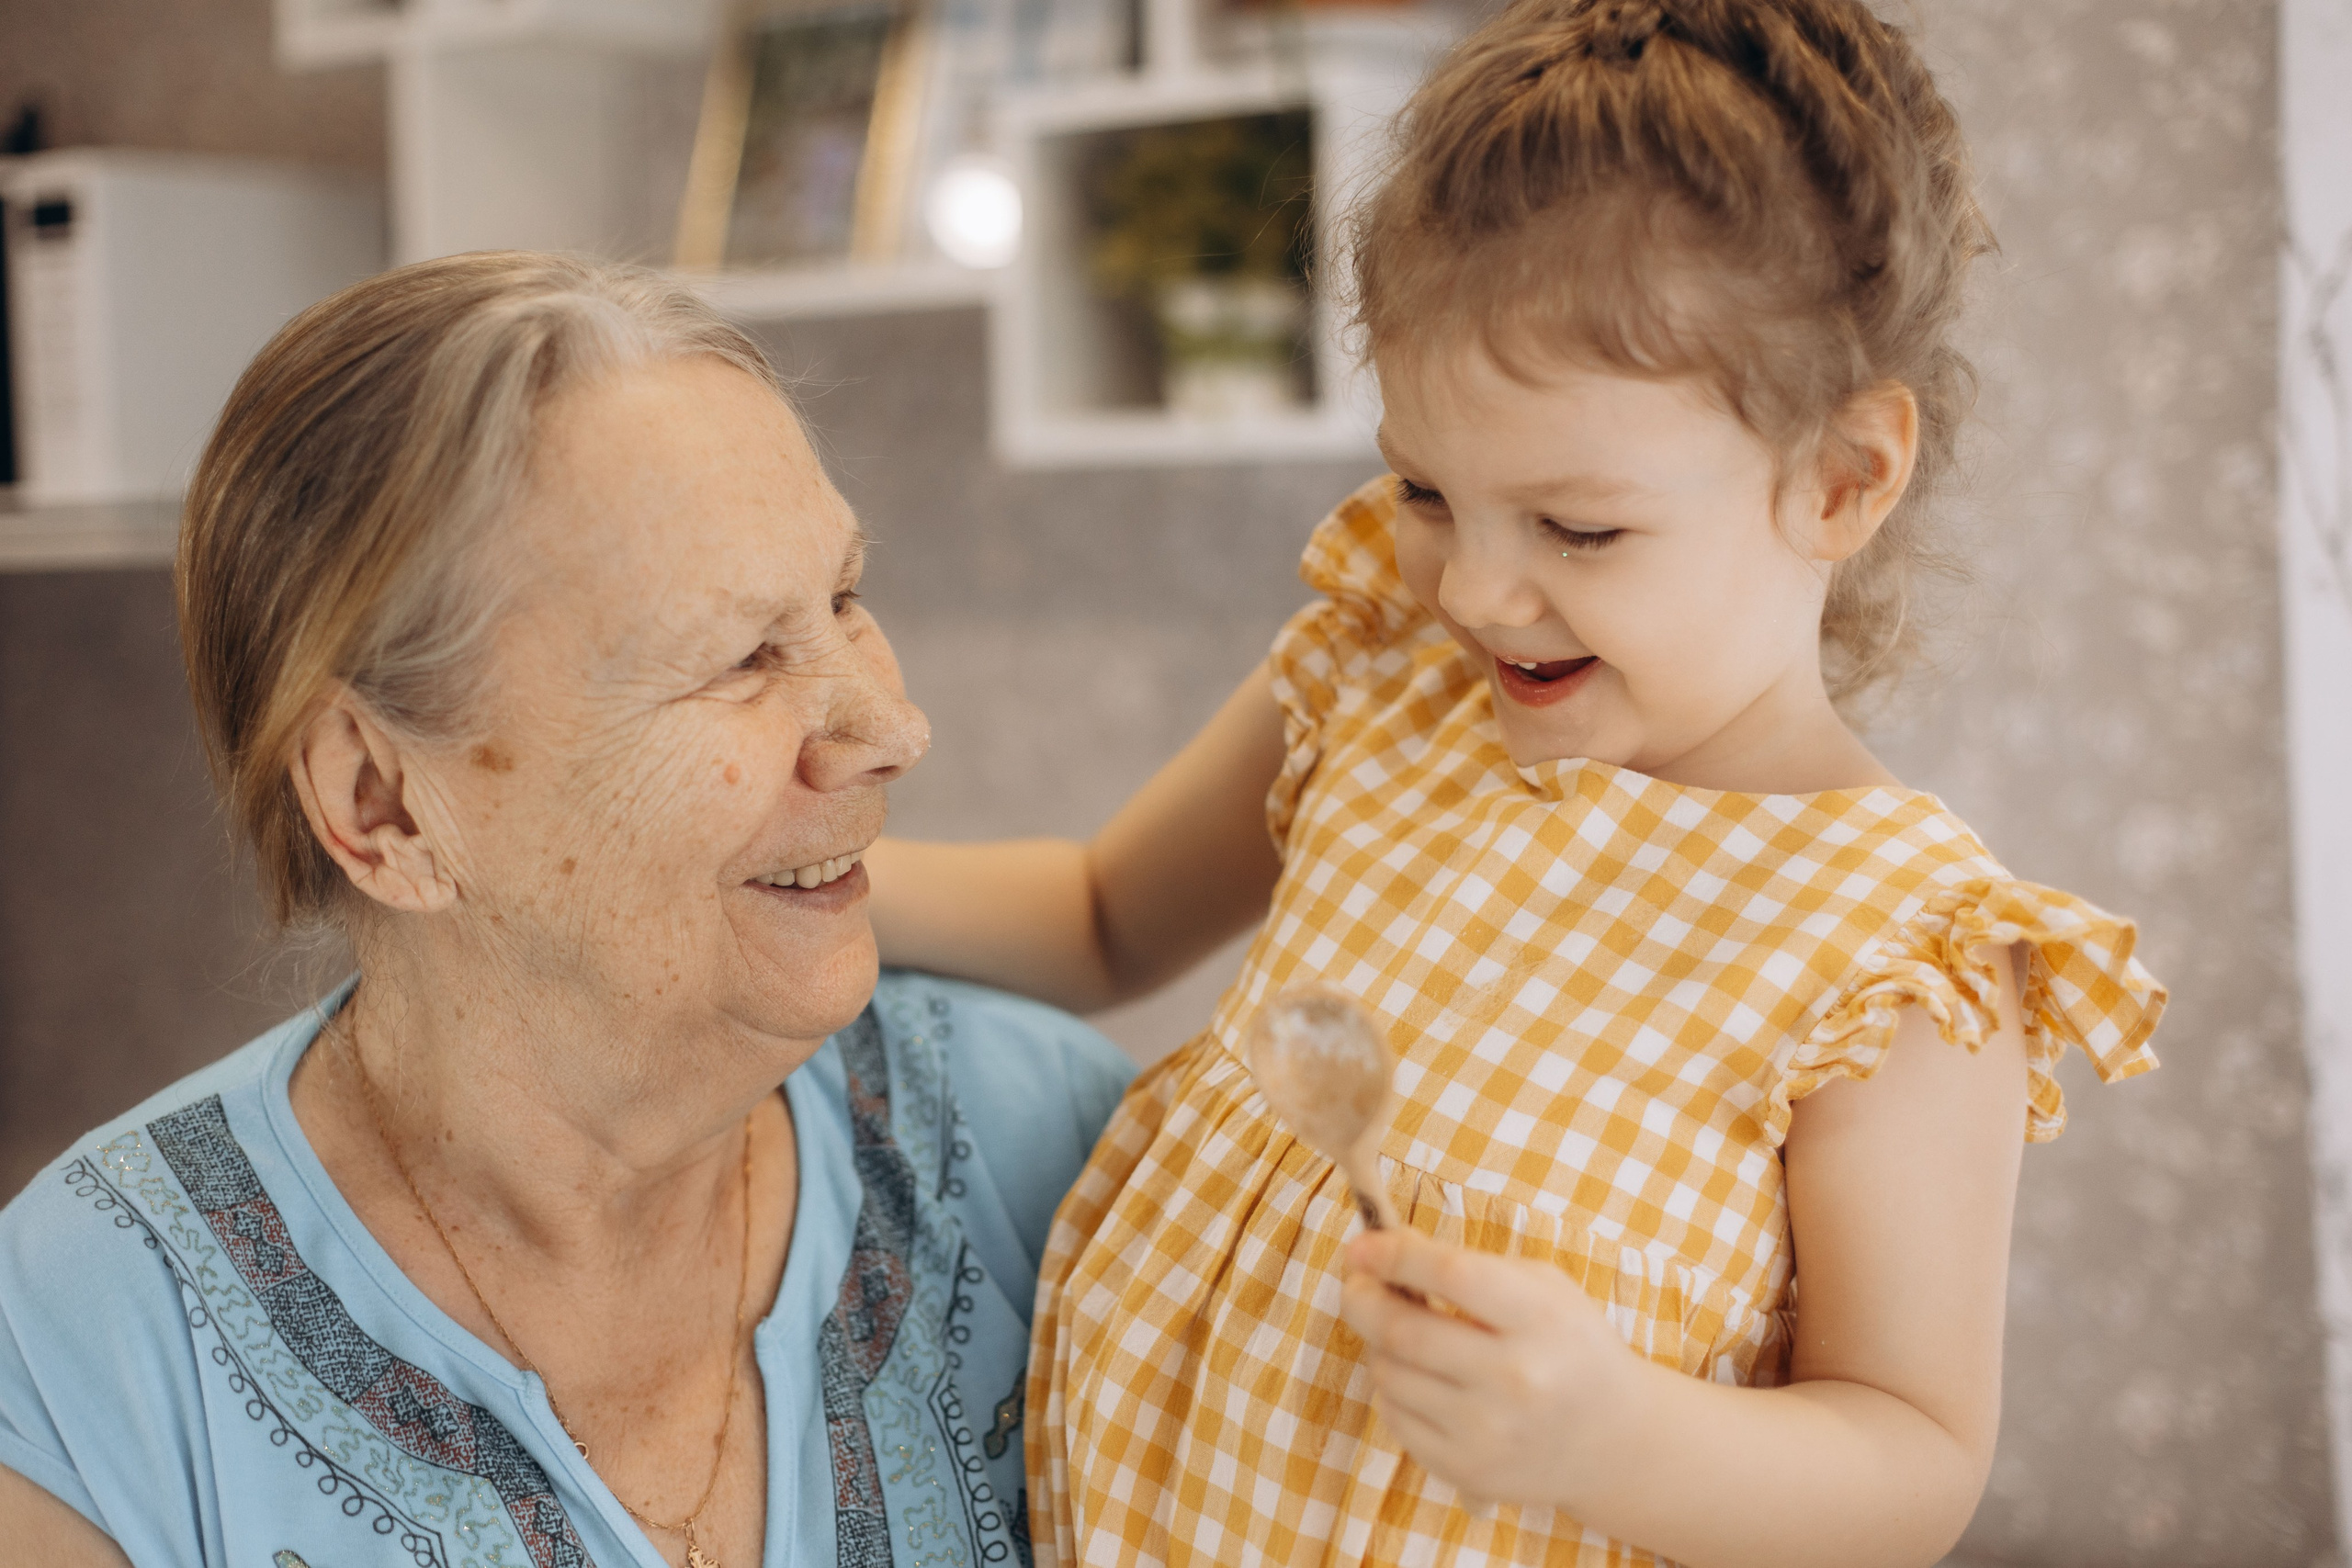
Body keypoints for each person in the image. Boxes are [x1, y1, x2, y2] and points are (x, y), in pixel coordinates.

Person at [865, 1, 2168, 1562]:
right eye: (1426, 489)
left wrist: (1617, 1441)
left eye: (1579, 529)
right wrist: (807, 882)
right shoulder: (1385, 685)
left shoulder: (1896, 958)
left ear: (1839, 480)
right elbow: (1097, 916)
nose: (1474, 591)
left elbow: (1911, 1457)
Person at [0, 253, 1133, 1568]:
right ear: (385, 807)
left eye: (844, 597)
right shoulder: (85, 1347)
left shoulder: (1049, 1148)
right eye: (741, 657)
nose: (892, 727)